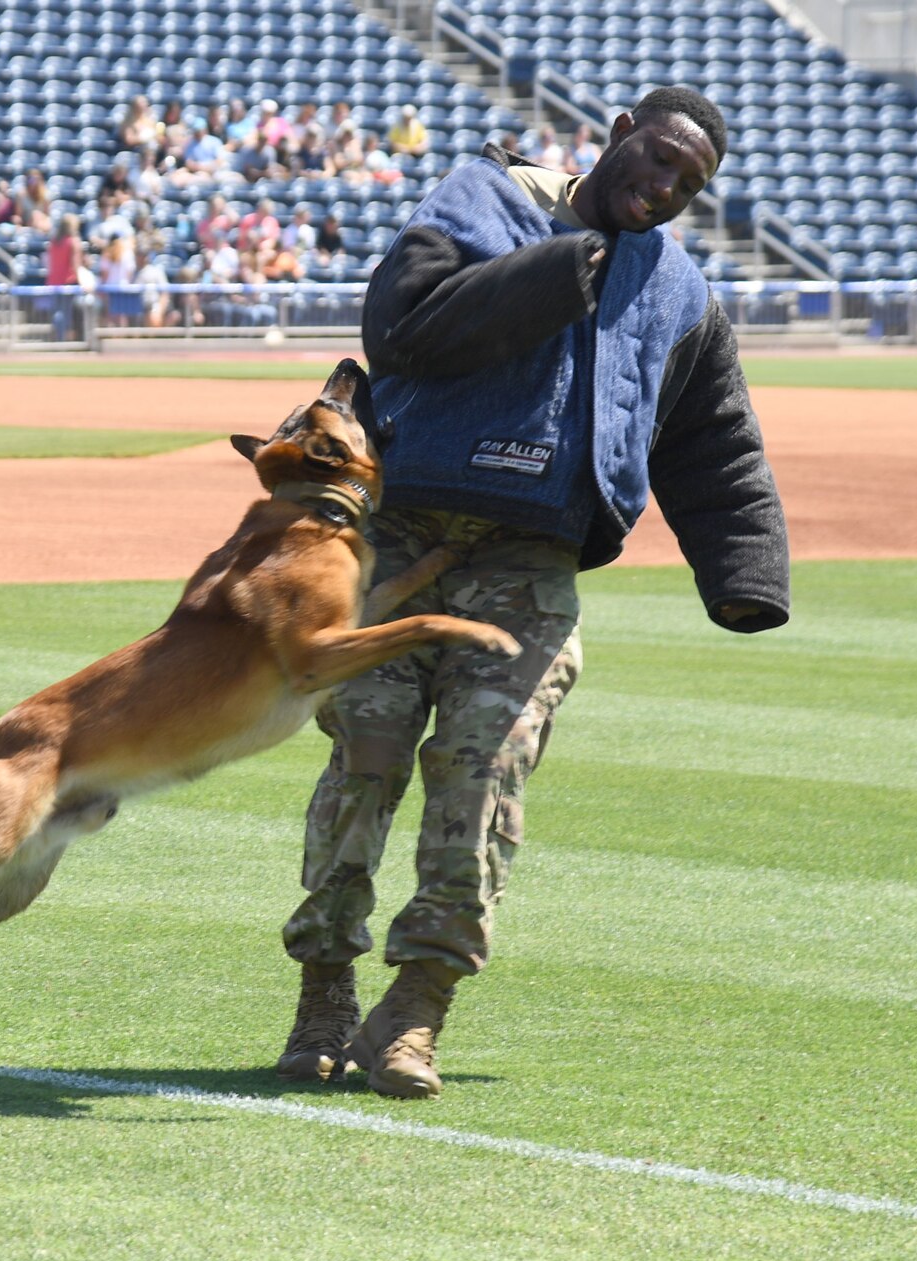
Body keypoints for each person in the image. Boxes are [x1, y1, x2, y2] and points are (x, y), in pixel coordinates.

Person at [274, 87, 789, 1099]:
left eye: (688, 182)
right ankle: (324, 992)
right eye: (657, 160)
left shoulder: (678, 291)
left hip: (530, 563)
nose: (665, 186)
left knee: (483, 772)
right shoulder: (488, 200)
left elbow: (710, 440)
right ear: (616, 136)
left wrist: (743, 573)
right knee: (365, 759)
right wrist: (559, 269)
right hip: (400, 540)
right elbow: (403, 328)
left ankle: (416, 1008)